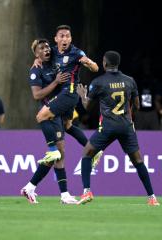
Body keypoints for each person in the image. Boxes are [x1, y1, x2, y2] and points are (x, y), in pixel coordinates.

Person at [76, 51, 159, 206]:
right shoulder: (130, 81)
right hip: (126, 127)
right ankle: (152, 197)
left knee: (87, 153)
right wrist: (129, 119)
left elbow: (88, 107)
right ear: (118, 64)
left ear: (105, 63)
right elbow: (137, 105)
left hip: (108, 127)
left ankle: (86, 191)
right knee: (138, 160)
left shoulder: (99, 82)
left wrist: (82, 95)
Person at [20, 38, 78, 204]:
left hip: (58, 113)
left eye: (47, 47)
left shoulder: (53, 61)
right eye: (41, 48)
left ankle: (31, 187)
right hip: (48, 113)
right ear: (36, 53)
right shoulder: (35, 71)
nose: (46, 49)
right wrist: (56, 82)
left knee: (58, 155)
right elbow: (37, 95)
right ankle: (64, 195)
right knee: (58, 153)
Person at [35, 25, 99, 164]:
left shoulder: (76, 53)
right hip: (64, 94)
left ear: (71, 38)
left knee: (41, 116)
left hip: (69, 94)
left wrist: (88, 62)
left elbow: (96, 68)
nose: (65, 39)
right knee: (67, 125)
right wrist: (37, 60)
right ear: (56, 39)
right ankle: (94, 151)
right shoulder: (52, 51)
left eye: (67, 36)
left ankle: (52, 150)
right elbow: (41, 56)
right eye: (62, 36)